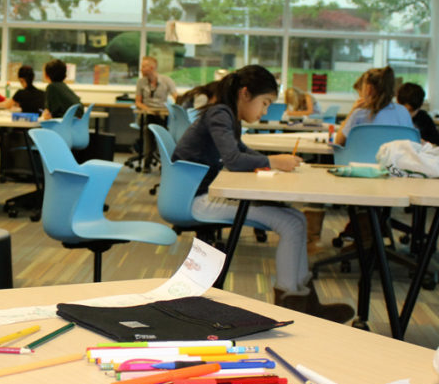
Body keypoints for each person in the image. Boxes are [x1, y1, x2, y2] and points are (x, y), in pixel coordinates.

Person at [172, 65, 354, 323]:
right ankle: (291, 304)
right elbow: (235, 159)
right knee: (291, 222)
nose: (265, 111)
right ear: (245, 94)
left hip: (203, 193)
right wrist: (274, 162)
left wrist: (272, 161)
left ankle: (304, 299)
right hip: (196, 199)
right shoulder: (220, 114)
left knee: (297, 219)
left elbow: (242, 151)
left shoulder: (227, 115)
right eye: (265, 103)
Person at [334, 66, 413, 146]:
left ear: (369, 89)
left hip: (361, 158)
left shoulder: (359, 114)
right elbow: (411, 141)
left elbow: (338, 141)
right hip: (393, 158)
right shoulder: (403, 112)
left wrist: (352, 111)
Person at [134, 56, 177, 171]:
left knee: (163, 134)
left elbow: (176, 97)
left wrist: (173, 108)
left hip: (163, 114)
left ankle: (164, 162)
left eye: (143, 67)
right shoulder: (141, 82)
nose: (141, 69)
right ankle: (147, 163)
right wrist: (147, 109)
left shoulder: (166, 80)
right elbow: (138, 102)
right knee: (148, 130)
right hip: (147, 114)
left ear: (152, 68)